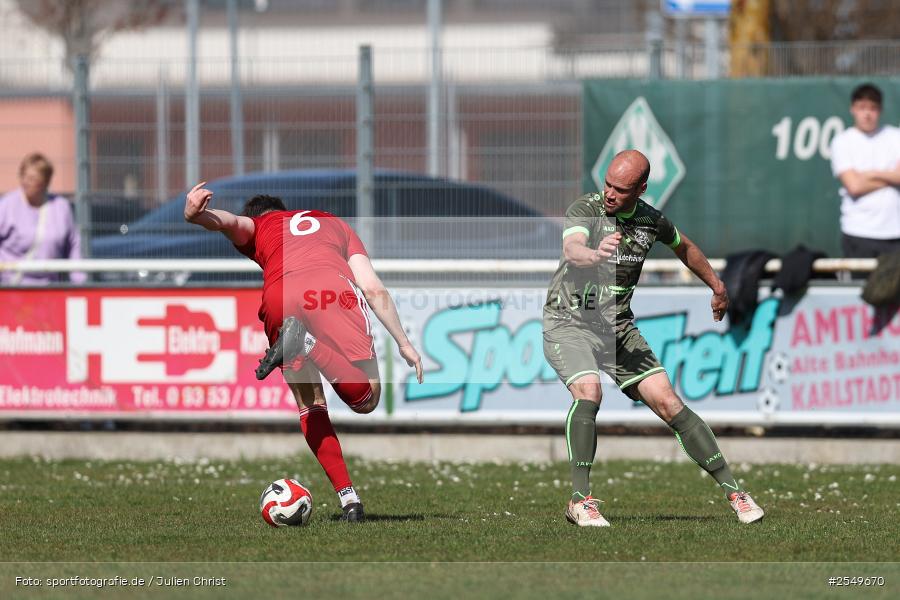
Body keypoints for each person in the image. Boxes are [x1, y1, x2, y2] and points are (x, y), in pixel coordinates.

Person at [542, 149, 764, 527]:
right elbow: (572, 248)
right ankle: (580, 500)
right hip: (569, 321)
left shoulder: (650, 221)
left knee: (669, 404)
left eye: (621, 189)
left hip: (617, 327)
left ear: (641, 189)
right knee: (589, 393)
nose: (610, 193)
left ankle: (736, 493)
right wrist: (594, 254)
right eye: (607, 184)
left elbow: (685, 247)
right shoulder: (587, 209)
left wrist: (717, 285)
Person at [183, 182, 424, 522]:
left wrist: (196, 215)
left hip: (281, 298)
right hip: (330, 294)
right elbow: (371, 287)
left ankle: (349, 500)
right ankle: (307, 341)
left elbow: (229, 223)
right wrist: (403, 341)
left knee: (310, 404)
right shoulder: (335, 223)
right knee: (366, 398)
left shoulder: (260, 226)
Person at [830, 83, 900, 259]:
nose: (867, 114)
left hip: (895, 234)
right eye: (862, 108)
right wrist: (890, 176)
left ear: (880, 110)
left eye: (873, 108)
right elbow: (854, 186)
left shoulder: (895, 137)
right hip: (858, 234)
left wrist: (871, 174)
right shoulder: (842, 142)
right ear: (853, 109)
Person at [0, 152, 86, 285]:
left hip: (49, 288)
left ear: (45, 182)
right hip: (12, 288)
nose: (25, 182)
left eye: (32, 179)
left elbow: (73, 244)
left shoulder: (61, 207)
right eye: (23, 176)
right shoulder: (7, 206)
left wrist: (79, 281)